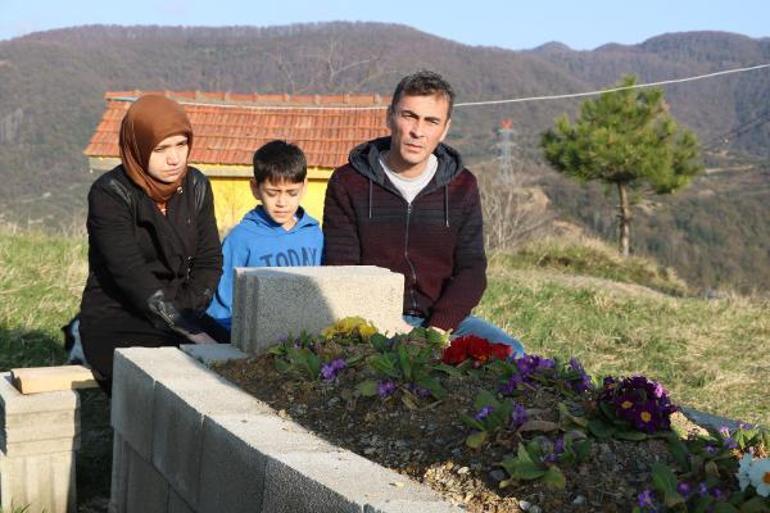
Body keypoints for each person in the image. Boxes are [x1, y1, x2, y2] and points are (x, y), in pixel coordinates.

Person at [322, 70, 524, 355]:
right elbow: (342, 269)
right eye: (409, 116)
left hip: (444, 323)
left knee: (512, 352)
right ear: (390, 116)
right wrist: (388, 326)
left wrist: (436, 331)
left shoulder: (462, 185)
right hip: (371, 321)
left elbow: (472, 269)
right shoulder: (349, 182)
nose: (418, 131)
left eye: (431, 121)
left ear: (445, 128)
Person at [79, 94, 228, 394]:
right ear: (139, 148)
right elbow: (130, 276)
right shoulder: (110, 195)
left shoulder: (197, 185)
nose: (175, 158)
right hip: (120, 316)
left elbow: (209, 260)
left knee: (233, 362)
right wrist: (186, 328)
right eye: (161, 149)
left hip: (182, 309)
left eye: (181, 145)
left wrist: (189, 313)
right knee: (174, 382)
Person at [206, 140, 323, 330]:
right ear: (255, 188)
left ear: (304, 187)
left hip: (307, 338)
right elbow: (223, 304)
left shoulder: (314, 235)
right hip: (252, 340)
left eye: (292, 193)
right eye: (272, 193)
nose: (282, 202)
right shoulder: (240, 239)